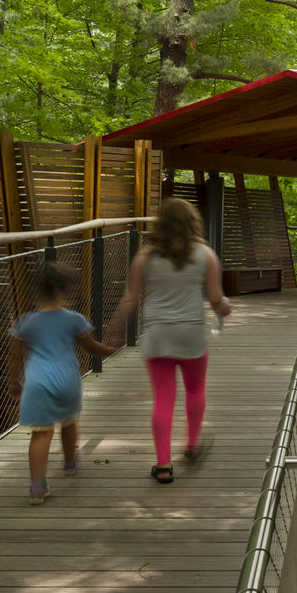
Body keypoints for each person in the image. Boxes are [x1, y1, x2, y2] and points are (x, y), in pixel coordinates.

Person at [108, 198, 232, 484]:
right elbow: (215, 300)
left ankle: (163, 465)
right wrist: (224, 307)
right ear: (193, 223)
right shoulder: (206, 255)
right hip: (191, 333)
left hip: (158, 334)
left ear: (161, 223)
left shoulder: (145, 257)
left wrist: (114, 330)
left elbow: (130, 298)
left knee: (163, 397)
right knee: (196, 388)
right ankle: (191, 444)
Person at [8, 262, 117, 505]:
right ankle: (69, 463)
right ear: (66, 289)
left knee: (40, 434)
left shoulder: (26, 321)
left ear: (37, 290)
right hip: (66, 381)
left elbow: (16, 355)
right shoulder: (74, 319)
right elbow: (91, 347)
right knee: (69, 422)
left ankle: (37, 488)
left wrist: (14, 381)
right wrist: (110, 348)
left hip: (37, 383)